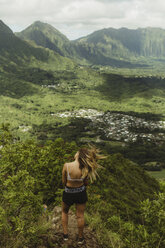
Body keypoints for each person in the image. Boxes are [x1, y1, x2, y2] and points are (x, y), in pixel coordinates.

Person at [62, 145, 104, 244]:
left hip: (68, 192)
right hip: (81, 192)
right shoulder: (85, 168)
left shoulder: (67, 165)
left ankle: (65, 236)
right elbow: (86, 183)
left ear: (78, 154)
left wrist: (69, 186)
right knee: (80, 215)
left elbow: (64, 181)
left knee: (64, 212)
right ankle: (80, 239)